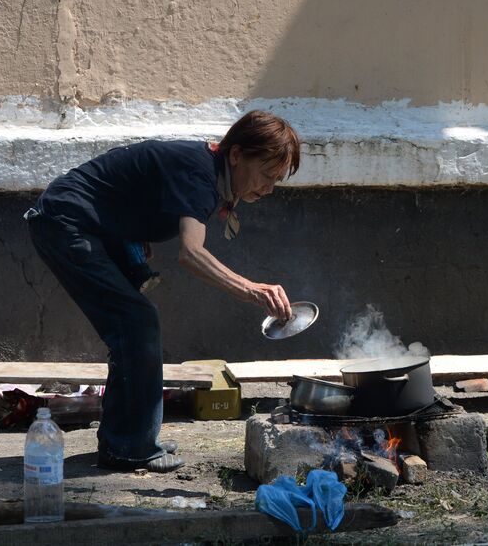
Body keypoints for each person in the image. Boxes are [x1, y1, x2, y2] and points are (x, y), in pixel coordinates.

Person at [25, 111, 300, 472]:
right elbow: (191, 253)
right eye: (266, 174)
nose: (268, 188)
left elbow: (134, 189)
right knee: (136, 323)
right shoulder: (200, 175)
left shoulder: (207, 173)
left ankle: (131, 439)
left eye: (276, 180)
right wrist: (252, 289)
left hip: (85, 225)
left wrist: (134, 232)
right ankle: (129, 446)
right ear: (236, 155)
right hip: (66, 222)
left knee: (135, 325)